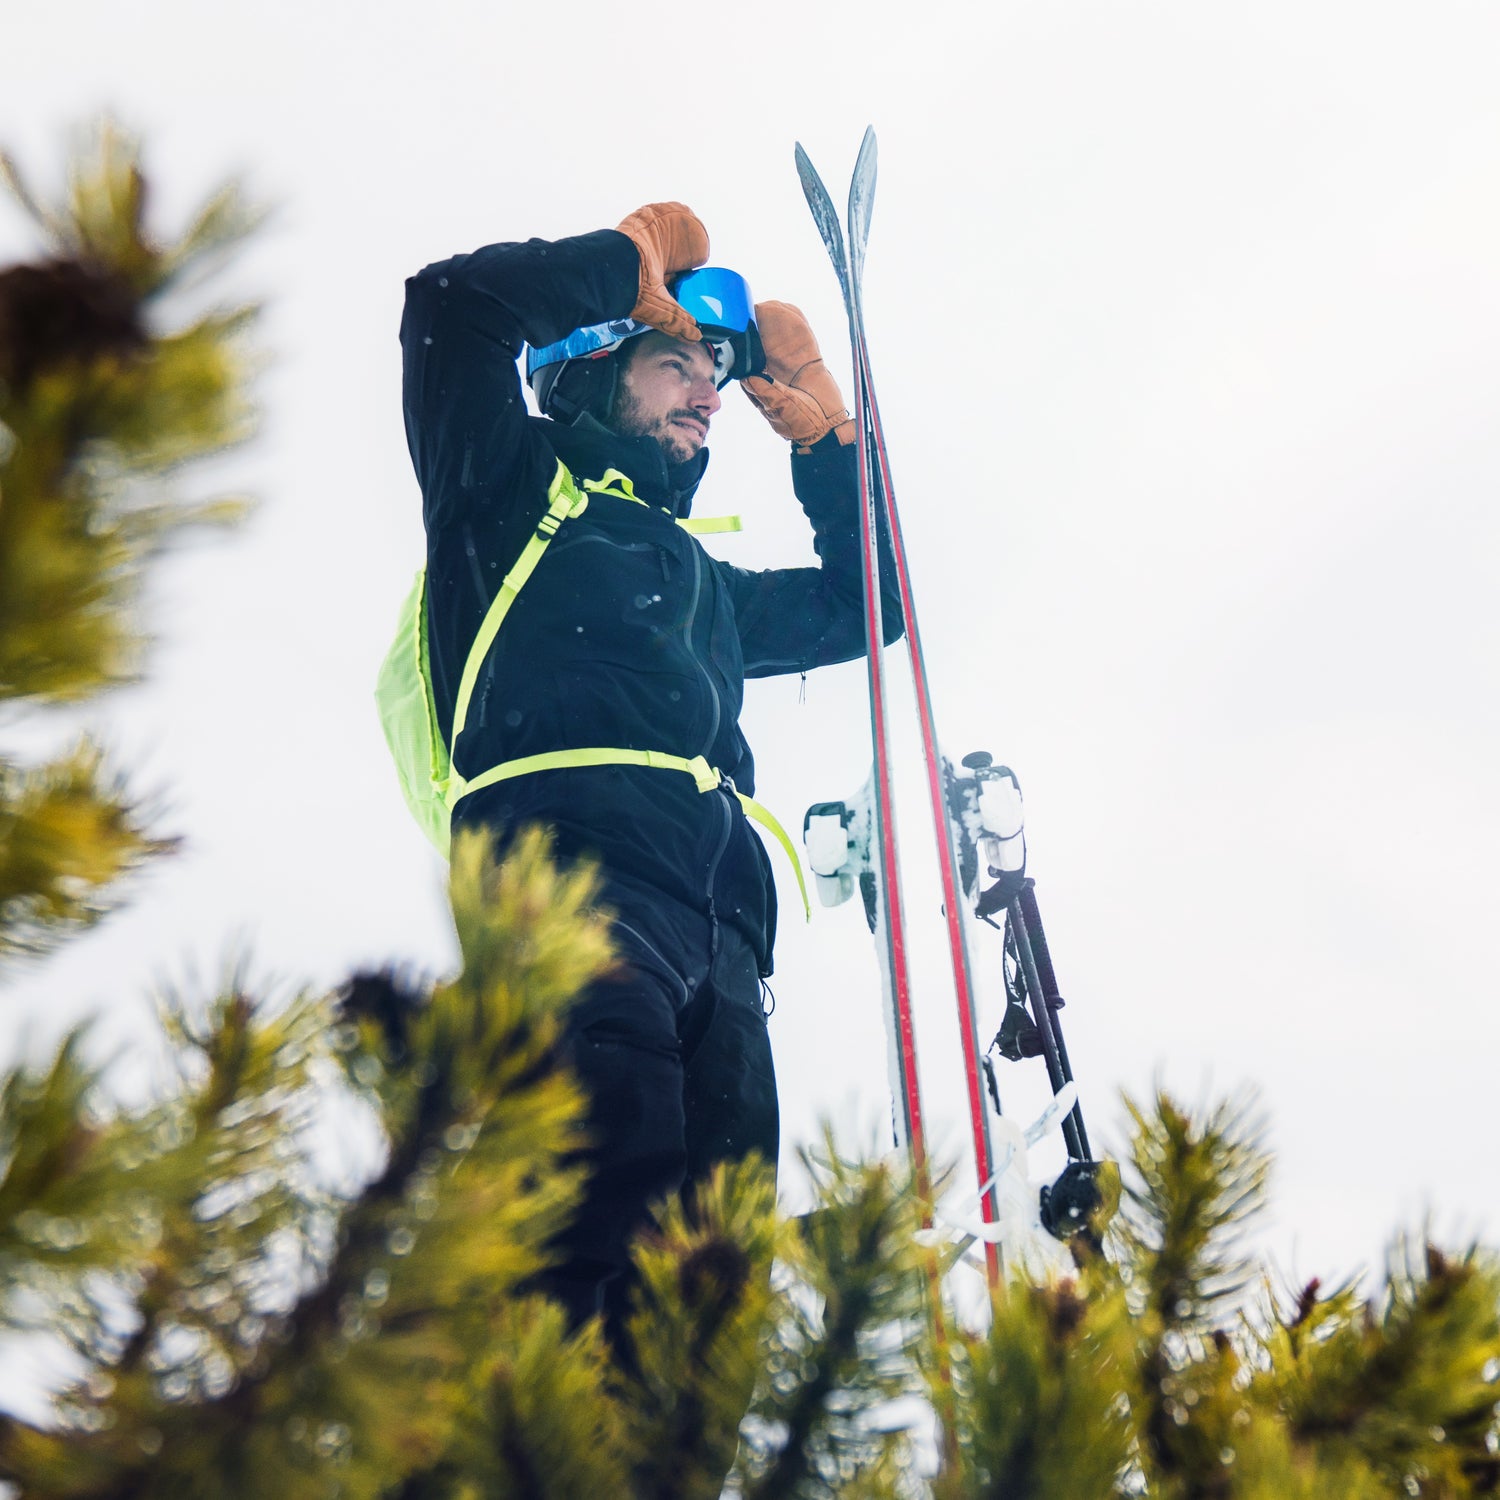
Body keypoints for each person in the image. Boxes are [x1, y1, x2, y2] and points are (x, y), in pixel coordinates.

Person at [399, 202, 902, 1352]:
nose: (709, 394)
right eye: (675, 360)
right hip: (566, 877)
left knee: (709, 1286)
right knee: (590, 1205)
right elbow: (451, 311)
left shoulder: (703, 584)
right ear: (587, 367)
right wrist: (624, 264)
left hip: (722, 937)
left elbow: (870, 605)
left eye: (717, 376)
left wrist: (828, 446)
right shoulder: (507, 491)